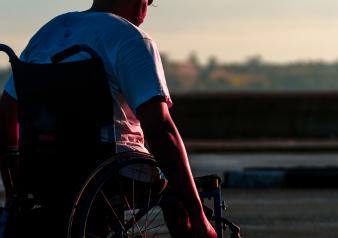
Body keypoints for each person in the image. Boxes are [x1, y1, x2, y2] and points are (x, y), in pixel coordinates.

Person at [0, 0, 217, 237]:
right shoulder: (130, 38)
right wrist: (197, 212)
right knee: (176, 192)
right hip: (113, 170)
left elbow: (6, 113)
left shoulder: (50, 32)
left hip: (43, 171)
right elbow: (160, 129)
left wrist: (14, 187)